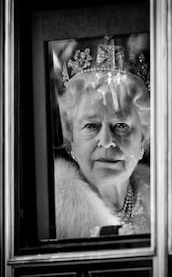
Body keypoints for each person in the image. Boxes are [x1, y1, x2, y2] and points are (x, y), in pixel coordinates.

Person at [52, 34, 150, 239]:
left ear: (144, 136)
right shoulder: (53, 221)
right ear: (70, 137)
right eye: (91, 125)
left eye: (121, 125)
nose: (106, 140)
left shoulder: (167, 203)